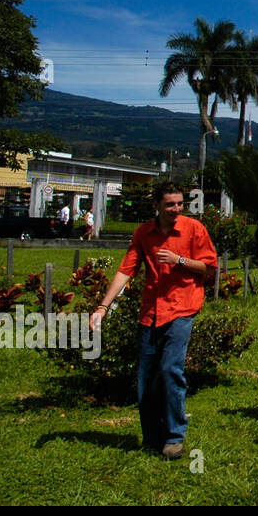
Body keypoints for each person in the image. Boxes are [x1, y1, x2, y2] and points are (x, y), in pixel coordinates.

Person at [90, 181, 218, 459]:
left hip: (182, 308)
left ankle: (174, 437)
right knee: (146, 377)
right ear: (156, 206)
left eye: (180, 204)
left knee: (171, 369)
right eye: (170, 204)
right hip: (150, 312)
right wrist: (102, 306)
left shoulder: (194, 230)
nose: (176, 209)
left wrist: (179, 260)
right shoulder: (143, 233)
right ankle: (151, 437)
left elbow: (209, 268)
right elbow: (126, 271)